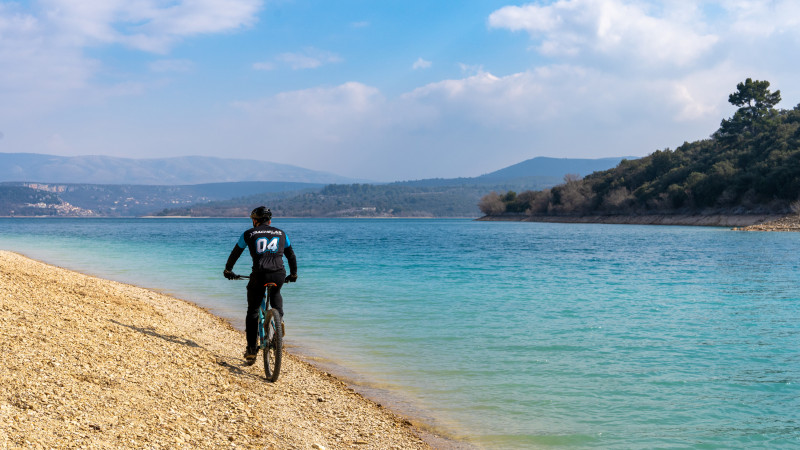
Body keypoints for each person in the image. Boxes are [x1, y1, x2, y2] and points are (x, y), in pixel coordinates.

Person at [224, 206, 298, 365]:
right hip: (279, 274)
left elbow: (235, 253)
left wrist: (228, 270)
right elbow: (291, 255)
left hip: (259, 274)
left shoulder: (248, 234)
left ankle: (251, 349)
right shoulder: (282, 233)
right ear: (270, 221)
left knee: (253, 310)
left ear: (255, 221)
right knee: (276, 294)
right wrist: (293, 274)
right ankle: (279, 324)